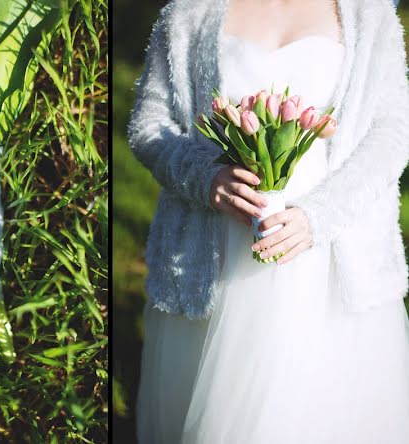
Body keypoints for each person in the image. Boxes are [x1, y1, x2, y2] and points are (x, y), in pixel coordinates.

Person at [127, 0, 409, 442]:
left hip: (330, 269)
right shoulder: (188, 13)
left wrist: (319, 217)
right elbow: (149, 124)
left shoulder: (368, 15)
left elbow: (394, 132)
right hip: (214, 265)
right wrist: (206, 178)